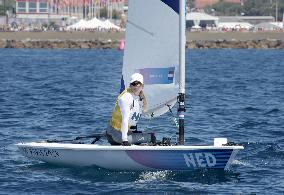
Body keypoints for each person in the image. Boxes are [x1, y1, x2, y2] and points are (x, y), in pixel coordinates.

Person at [106, 73, 155, 146]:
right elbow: (125, 120)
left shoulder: (139, 97)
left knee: (145, 136)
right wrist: (125, 140)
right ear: (130, 85)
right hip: (115, 134)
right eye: (133, 84)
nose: (135, 86)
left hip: (124, 132)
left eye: (138, 84)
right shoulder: (127, 97)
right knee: (151, 137)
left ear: (142, 86)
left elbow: (134, 117)